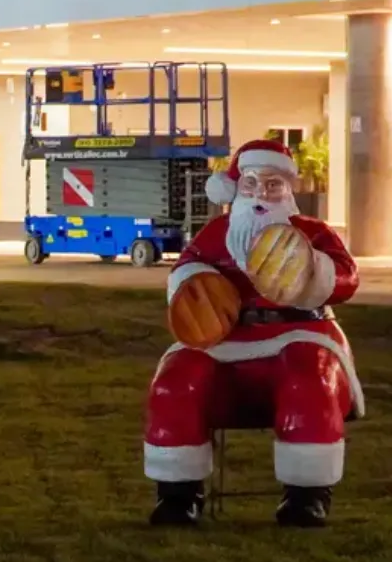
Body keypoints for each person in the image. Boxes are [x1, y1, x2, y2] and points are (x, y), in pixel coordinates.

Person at [145, 138, 362, 528]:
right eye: (251, 184)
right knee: (177, 378)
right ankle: (178, 494)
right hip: (225, 340)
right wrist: (196, 284)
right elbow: (185, 270)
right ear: (237, 189)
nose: (261, 193)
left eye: (273, 184)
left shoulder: (313, 233)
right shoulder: (216, 235)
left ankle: (306, 495)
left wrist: (312, 270)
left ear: (287, 189)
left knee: (310, 377)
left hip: (300, 332)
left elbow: (346, 277)